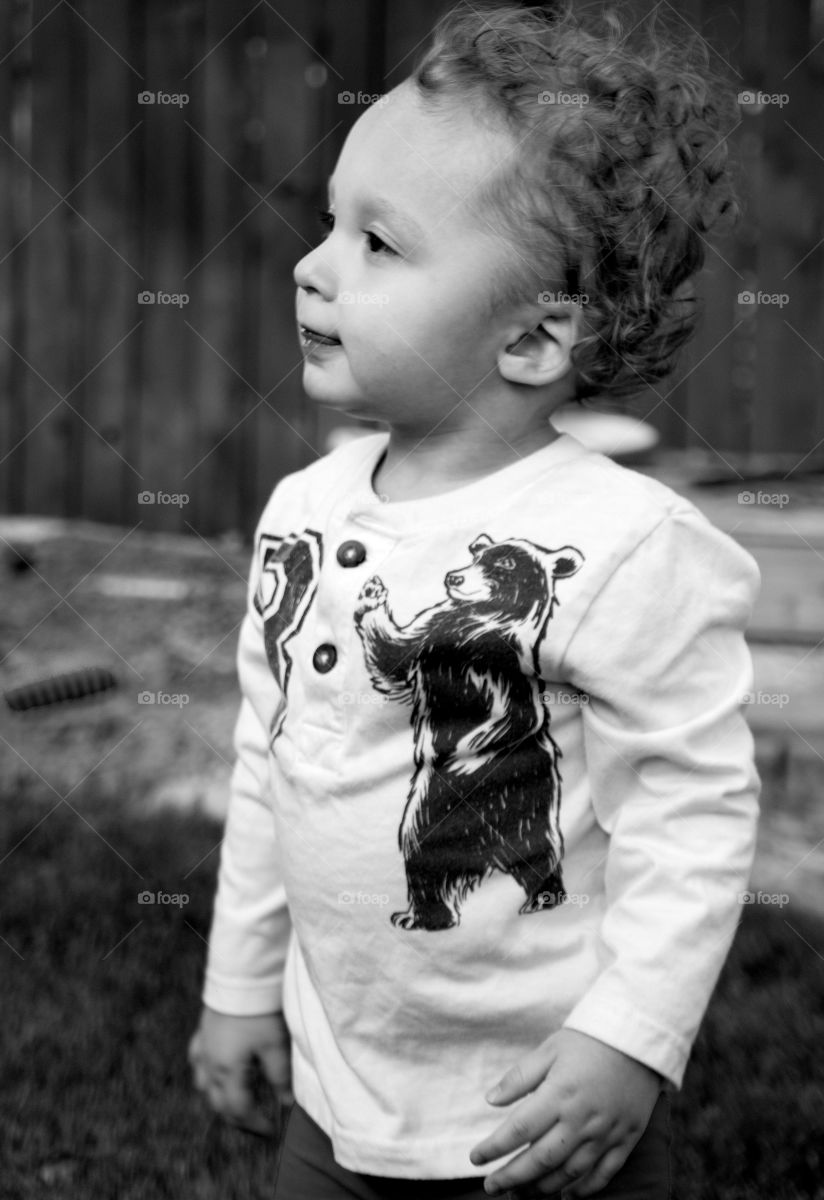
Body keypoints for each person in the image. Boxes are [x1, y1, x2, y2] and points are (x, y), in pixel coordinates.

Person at [188, 2, 760, 1196]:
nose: (314, 263)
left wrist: (627, 1041)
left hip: (537, 1115)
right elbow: (269, 761)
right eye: (328, 223)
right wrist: (240, 989)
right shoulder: (304, 509)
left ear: (534, 338)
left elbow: (692, 811)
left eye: (379, 246)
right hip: (336, 1091)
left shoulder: (621, 543)